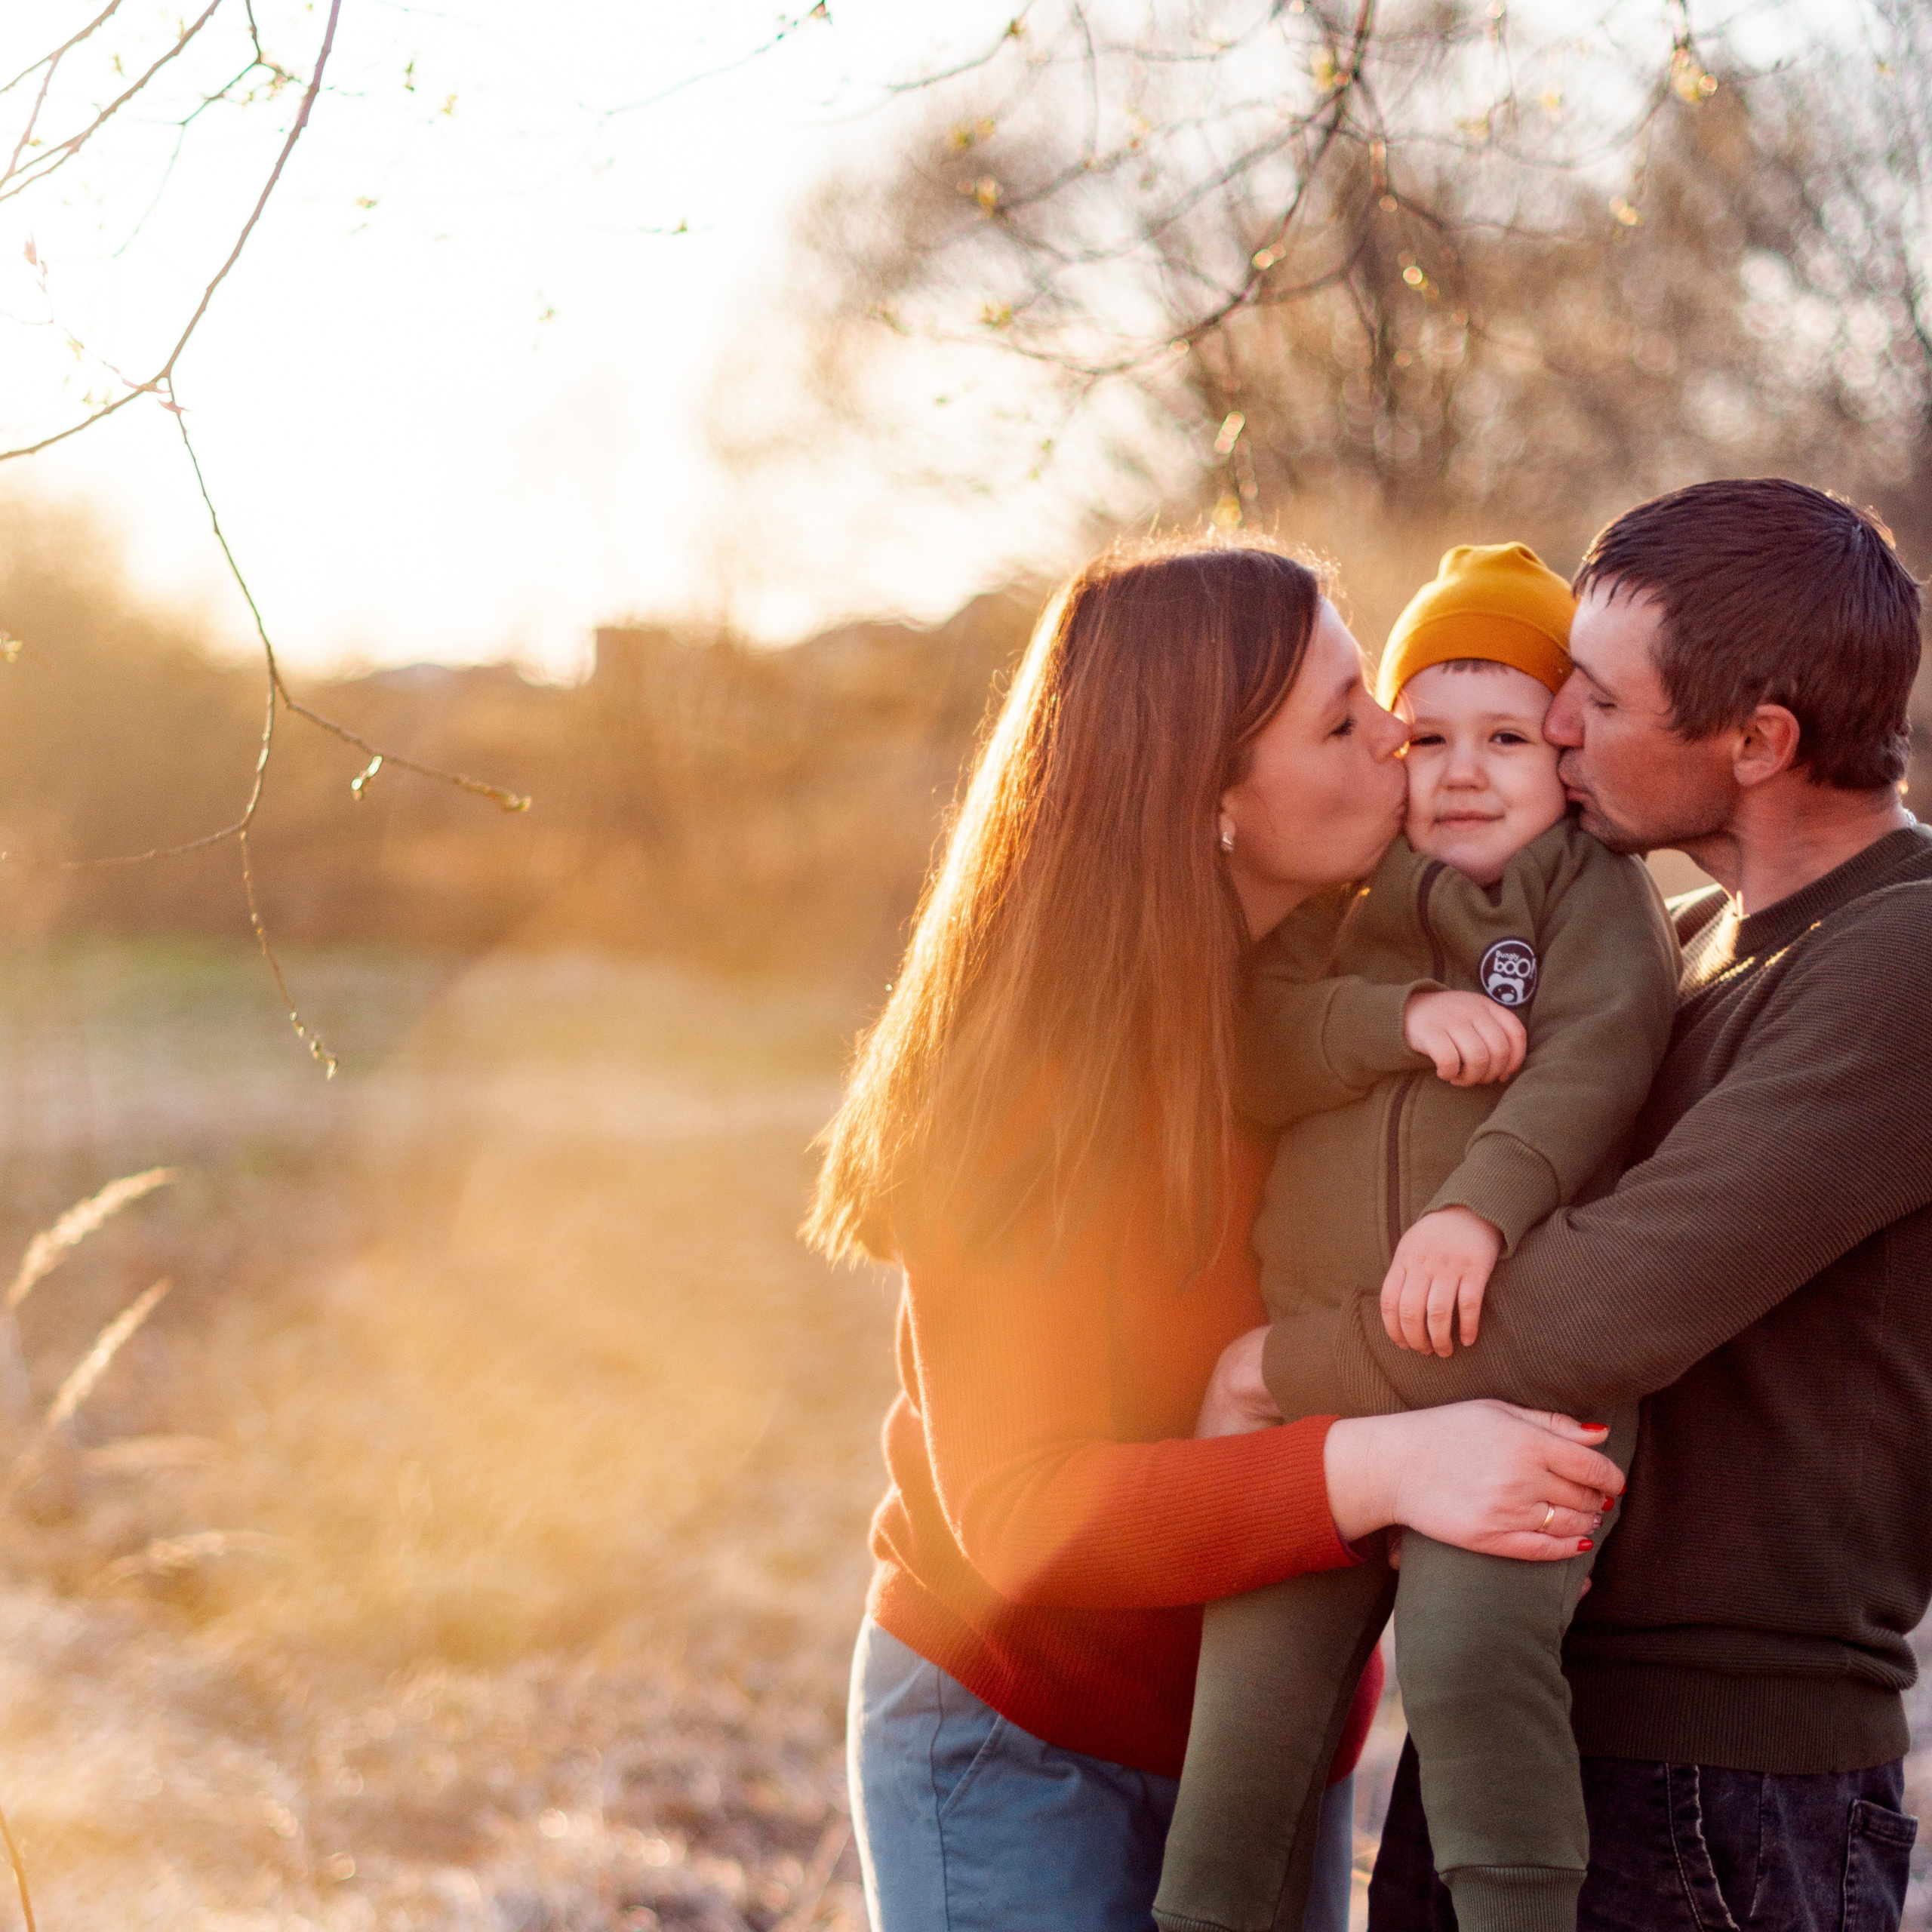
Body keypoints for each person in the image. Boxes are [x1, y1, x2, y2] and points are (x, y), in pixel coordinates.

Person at [805, 539, 1629, 1932]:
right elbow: (1016, 1514)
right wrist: (1385, 1460)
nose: (1399, 731)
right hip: (1020, 1724)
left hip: (1266, 1726)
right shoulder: (1032, 1088)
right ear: (1211, 806)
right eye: (1342, 715)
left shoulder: (1404, 955)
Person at [1254, 480, 1927, 1930]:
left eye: (1594, 701)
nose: (1553, 726)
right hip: (1526, 1703)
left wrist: (1281, 1374)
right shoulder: (1677, 936)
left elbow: (1609, 1299)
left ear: (1758, 741)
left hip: (1713, 1779)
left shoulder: (1906, 962)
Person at [1155, 546, 1678, 1932]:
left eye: (1505, 737)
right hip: (1326, 1384)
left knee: (1474, 1670)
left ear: (1567, 748)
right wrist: (1388, 1020)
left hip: (1513, 1382)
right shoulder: (1345, 903)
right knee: (1249, 1714)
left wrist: (1476, 1205)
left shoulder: (1587, 894)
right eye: (1427, 734)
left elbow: (1596, 1065)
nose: (1459, 770)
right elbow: (1254, 1048)